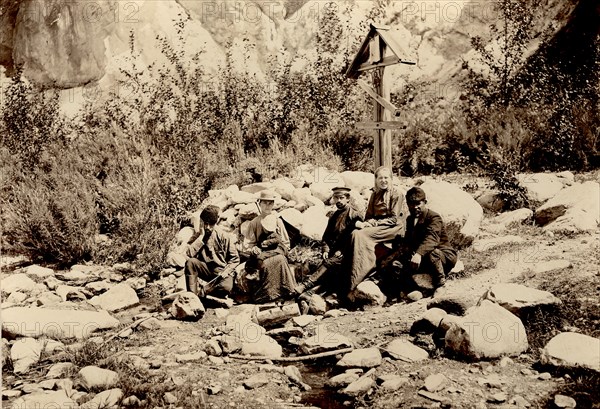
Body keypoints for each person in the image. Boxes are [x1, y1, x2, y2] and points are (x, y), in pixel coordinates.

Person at [294, 186, 362, 297]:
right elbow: (325, 237)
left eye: (341, 198)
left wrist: (343, 251)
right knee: (326, 266)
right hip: (333, 253)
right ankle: (310, 293)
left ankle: (306, 286)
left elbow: (357, 238)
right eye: (336, 198)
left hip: (348, 254)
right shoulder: (333, 215)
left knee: (329, 264)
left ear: (348, 199)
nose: (338, 201)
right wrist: (325, 250)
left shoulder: (354, 215)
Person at [347, 166, 405, 295]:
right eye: (380, 178)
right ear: (376, 180)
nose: (383, 181)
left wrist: (374, 223)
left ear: (391, 179)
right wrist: (368, 223)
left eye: (386, 178)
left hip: (393, 228)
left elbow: (394, 219)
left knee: (359, 235)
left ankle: (357, 279)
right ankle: (354, 274)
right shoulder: (374, 194)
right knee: (355, 233)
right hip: (377, 227)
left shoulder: (397, 194)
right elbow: (369, 215)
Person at [387, 186, 457, 288]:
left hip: (444, 256)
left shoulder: (433, 217)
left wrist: (418, 254)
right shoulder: (410, 219)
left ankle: (440, 282)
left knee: (432, 252)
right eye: (411, 204)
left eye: (418, 203)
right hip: (425, 256)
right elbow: (410, 241)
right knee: (398, 260)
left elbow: (432, 239)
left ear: (425, 202)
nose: (415, 207)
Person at [243, 190, 297, 303]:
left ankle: (286, 292)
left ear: (273, 204)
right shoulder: (254, 223)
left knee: (281, 260)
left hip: (278, 251)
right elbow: (248, 244)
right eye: (265, 203)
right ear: (259, 203)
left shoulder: (277, 221)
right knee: (264, 264)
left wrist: (281, 247)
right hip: (262, 253)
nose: (267, 206)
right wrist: (254, 248)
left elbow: (285, 242)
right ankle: (266, 296)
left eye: (270, 203)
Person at [184, 205, 240, 298]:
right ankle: (192, 298)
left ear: (215, 223)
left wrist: (227, 271)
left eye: (211, 224)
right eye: (206, 223)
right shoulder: (198, 235)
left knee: (226, 287)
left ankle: (204, 293)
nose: (208, 227)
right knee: (190, 263)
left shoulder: (223, 236)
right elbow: (189, 254)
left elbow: (235, 259)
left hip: (221, 272)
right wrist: (201, 238)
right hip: (205, 269)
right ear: (201, 222)